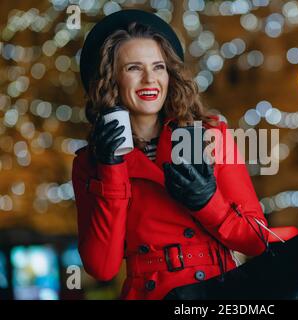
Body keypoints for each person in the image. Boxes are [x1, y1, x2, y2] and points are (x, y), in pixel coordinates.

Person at [72, 10, 269, 300]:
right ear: (110, 79)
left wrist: (207, 203)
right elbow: (102, 267)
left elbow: (257, 240)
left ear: (170, 73)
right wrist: (110, 168)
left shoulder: (203, 136)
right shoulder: (90, 163)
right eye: (133, 68)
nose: (150, 79)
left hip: (217, 292)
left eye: (159, 66)